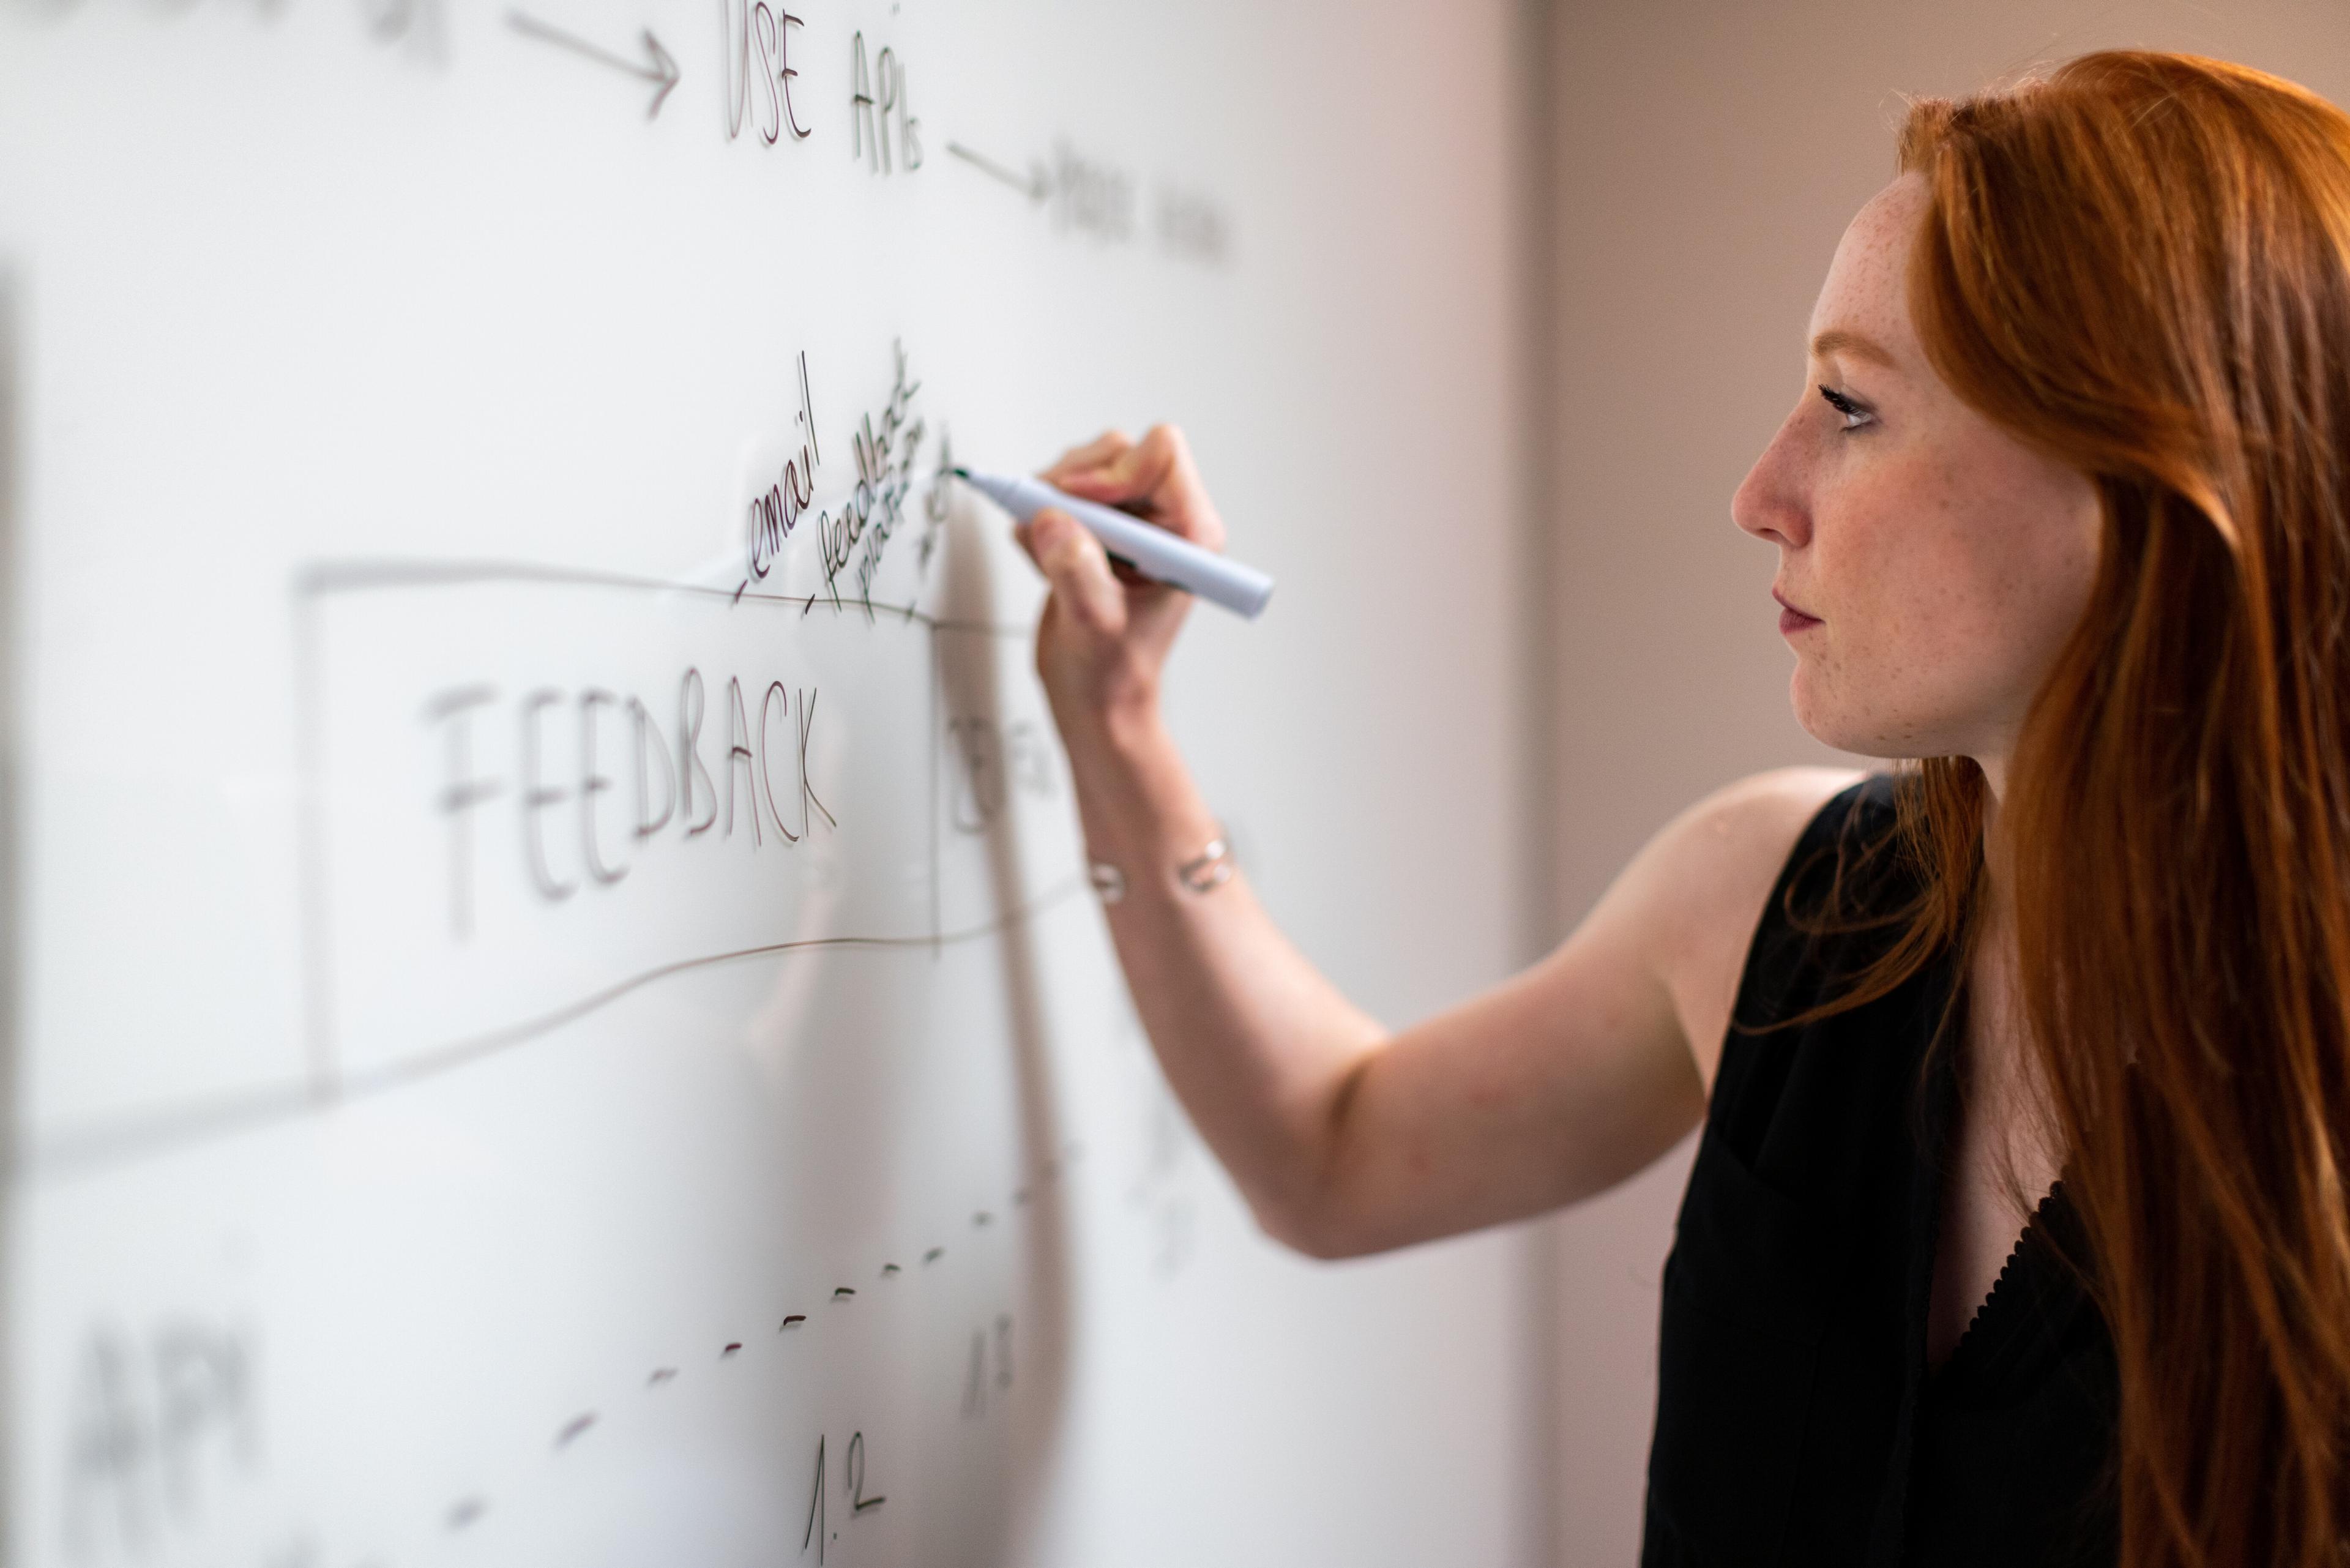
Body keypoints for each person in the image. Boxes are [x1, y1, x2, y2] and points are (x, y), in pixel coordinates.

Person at [1013, 50, 2350, 1568]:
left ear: (2141, 487)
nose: (1760, 491)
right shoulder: (1778, 905)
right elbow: (1329, 1152)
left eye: (1851, 406)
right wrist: (1119, 729)